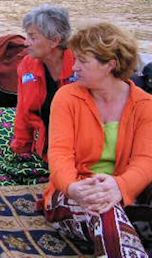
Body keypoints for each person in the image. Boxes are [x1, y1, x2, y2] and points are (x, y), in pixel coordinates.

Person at [44, 23, 152, 256]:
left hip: (124, 187)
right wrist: (73, 188)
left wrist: (120, 186)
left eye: (83, 61)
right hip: (76, 190)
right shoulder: (67, 97)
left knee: (112, 205)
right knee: (104, 211)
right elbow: (59, 155)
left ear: (110, 65)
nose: (74, 67)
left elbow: (145, 160)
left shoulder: (144, 105)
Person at [11, 5, 76, 160]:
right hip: (44, 147)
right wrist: (21, 146)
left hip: (76, 150)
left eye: (33, 37)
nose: (26, 43)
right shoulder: (27, 64)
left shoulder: (81, 67)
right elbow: (23, 109)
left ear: (55, 41)